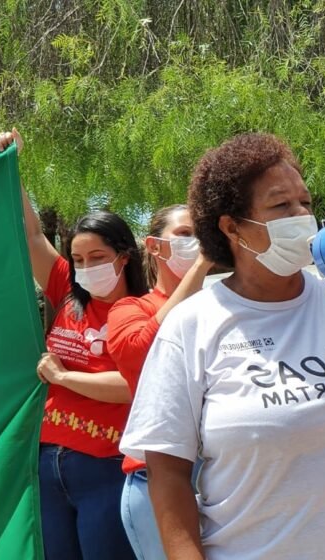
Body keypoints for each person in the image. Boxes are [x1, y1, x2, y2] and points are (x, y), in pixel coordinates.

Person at [119, 132, 325, 560]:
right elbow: (167, 472)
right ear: (231, 228)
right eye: (282, 206)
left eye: (305, 203)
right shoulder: (192, 326)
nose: (302, 216)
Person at [0, 129, 143, 559]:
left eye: (97, 258)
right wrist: (11, 167)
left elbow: (132, 383)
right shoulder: (67, 293)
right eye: (78, 259)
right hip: (47, 465)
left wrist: (63, 376)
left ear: (124, 257)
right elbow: (33, 235)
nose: (85, 267)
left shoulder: (145, 310)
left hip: (107, 467)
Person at [106, 204, 213, 560]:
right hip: (156, 483)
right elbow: (138, 352)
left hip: (222, 475)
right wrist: (200, 266)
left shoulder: (224, 306)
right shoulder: (129, 310)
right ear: (154, 246)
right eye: (185, 235)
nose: (196, 242)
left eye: (201, 233)